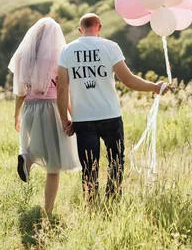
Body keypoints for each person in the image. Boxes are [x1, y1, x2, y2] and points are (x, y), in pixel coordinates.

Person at [57, 13, 170, 201]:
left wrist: (64, 119)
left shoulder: (67, 51)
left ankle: (91, 205)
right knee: (116, 161)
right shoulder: (110, 47)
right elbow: (128, 81)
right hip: (110, 115)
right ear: (99, 27)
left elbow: (61, 88)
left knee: (88, 165)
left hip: (83, 118)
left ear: (80, 30)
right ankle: (113, 201)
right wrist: (154, 87)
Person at [9, 17, 80, 216]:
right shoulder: (59, 55)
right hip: (51, 108)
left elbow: (20, 90)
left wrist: (16, 114)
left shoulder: (23, 56)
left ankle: (27, 157)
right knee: (54, 164)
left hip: (30, 109)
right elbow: (62, 90)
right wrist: (72, 114)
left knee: (40, 147)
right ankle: (47, 210)